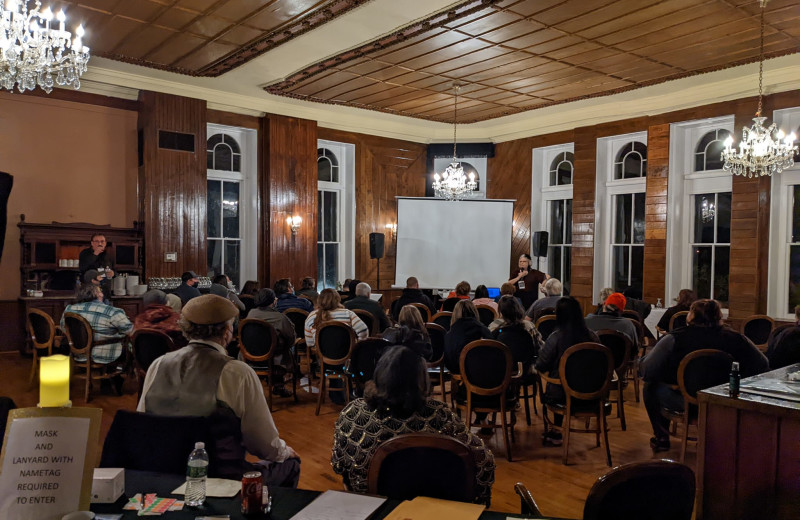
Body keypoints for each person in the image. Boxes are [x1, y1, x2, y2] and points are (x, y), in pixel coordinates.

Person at [138, 294, 301, 487]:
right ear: (226, 331)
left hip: (162, 470)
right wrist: (284, 452)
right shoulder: (236, 372)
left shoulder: (158, 364)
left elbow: (144, 422)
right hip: (220, 477)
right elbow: (261, 442)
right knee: (290, 463)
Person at [331, 345, 495, 504]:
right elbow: (483, 462)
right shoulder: (441, 416)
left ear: (379, 375)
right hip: (437, 511)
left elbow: (340, 466)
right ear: (422, 379)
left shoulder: (353, 414)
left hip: (376, 508)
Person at [640, 299, 769, 452]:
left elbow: (648, 370)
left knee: (650, 386)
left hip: (684, 400)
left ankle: (661, 438)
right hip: (725, 401)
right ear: (719, 316)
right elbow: (763, 365)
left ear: (691, 316)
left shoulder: (675, 338)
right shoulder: (737, 339)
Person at [534, 296, 600, 447]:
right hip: (593, 394)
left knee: (557, 380)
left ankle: (555, 431)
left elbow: (541, 364)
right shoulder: (593, 337)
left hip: (562, 395)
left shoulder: (557, 337)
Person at [61, 284, 133, 365]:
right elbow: (131, 331)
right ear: (98, 294)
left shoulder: (69, 309)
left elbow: (64, 329)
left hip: (78, 354)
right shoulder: (112, 312)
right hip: (106, 356)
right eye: (100, 291)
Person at [246, 288, 296, 397]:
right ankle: (279, 386)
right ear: (273, 301)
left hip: (250, 355)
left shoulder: (251, 313)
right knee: (287, 348)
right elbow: (291, 338)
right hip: (274, 358)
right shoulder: (280, 318)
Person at [304, 289, 369, 349]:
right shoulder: (348, 314)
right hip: (346, 353)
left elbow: (310, 343)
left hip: (321, 355)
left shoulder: (311, 316)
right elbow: (363, 330)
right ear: (338, 299)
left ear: (319, 300)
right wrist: (356, 344)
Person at [491, 295, 542, 372]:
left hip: (500, 370)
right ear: (518, 308)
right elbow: (538, 346)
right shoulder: (529, 326)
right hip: (525, 369)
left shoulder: (494, 326)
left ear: (501, 311)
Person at [443, 300, 493, 374]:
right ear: (474, 312)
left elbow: (448, 359)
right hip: (482, 372)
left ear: (455, 314)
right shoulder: (483, 329)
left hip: (458, 370)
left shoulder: (450, 334)